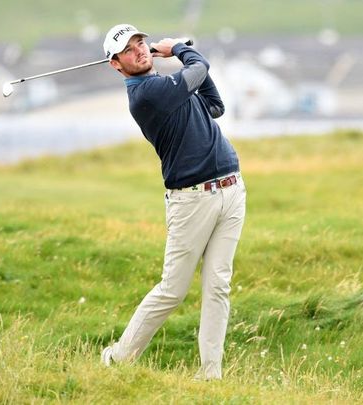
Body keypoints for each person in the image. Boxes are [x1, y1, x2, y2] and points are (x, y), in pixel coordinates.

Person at [100, 23, 246, 380]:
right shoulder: (146, 94)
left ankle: (211, 375)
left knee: (218, 287)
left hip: (231, 190)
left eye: (141, 43)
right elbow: (199, 69)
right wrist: (180, 49)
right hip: (191, 201)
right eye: (129, 50)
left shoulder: (168, 87)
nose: (139, 50)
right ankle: (119, 357)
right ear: (116, 65)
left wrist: (184, 61)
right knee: (172, 290)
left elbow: (214, 105)